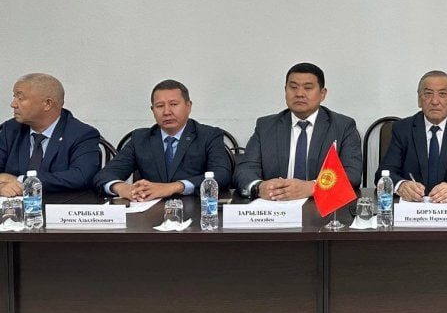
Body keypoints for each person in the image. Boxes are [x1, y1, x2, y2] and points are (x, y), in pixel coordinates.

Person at [234, 63, 362, 201]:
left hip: (321, 205)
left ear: (322, 94)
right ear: (285, 90)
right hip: (276, 205)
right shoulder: (266, 126)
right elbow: (245, 169)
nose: (299, 94)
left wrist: (313, 187)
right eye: (293, 87)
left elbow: (352, 173)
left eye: (308, 88)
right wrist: (258, 187)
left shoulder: (342, 126)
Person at [93, 79, 231, 201]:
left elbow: (222, 175)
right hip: (149, 213)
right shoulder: (140, 139)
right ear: (152, 110)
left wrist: (175, 187)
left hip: (195, 210)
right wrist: (122, 188)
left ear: (188, 106)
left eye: (174, 104)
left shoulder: (209, 135)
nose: (166, 112)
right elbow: (104, 175)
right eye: (160, 106)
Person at [377, 70, 447, 203]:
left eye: (442, 94)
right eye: (428, 94)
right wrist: (401, 186)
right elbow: (383, 173)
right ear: (419, 100)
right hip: (414, 206)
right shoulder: (403, 129)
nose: (435, 101)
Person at [0, 73, 100, 196]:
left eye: (20, 98)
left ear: (47, 104)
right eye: (14, 97)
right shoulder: (10, 129)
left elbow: (81, 176)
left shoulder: (82, 134)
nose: (13, 104)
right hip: (14, 206)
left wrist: (22, 181)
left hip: (60, 204)